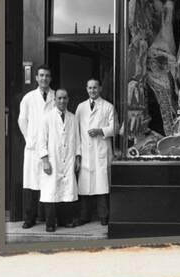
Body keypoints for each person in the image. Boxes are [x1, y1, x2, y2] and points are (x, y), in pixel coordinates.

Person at [36, 89, 81, 232]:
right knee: (51, 191)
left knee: (66, 191)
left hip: (68, 159)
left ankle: (65, 220)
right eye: (59, 98)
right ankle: (50, 223)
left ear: (68, 99)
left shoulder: (73, 118)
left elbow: (77, 140)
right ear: (54, 100)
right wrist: (45, 160)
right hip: (53, 159)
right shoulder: (47, 118)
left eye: (65, 98)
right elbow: (41, 141)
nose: (62, 101)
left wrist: (78, 157)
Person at [17, 65, 55, 229]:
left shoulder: (56, 96)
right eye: (41, 75)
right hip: (33, 148)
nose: (44, 78)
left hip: (50, 146)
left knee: (49, 184)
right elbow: (22, 120)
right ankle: (29, 218)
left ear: (50, 78)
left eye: (47, 76)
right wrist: (29, 139)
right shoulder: (28, 98)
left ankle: (50, 220)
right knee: (31, 184)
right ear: (36, 78)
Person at [75, 79, 116, 226]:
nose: (92, 90)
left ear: (100, 88)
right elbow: (76, 132)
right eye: (90, 88)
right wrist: (77, 155)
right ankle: (84, 216)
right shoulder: (80, 107)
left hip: (101, 150)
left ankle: (104, 216)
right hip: (85, 151)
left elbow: (115, 128)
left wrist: (100, 131)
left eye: (95, 87)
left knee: (101, 185)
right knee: (85, 186)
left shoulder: (108, 107)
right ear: (86, 89)